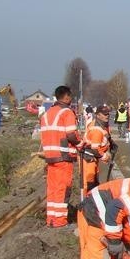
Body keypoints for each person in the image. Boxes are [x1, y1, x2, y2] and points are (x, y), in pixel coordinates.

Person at [39, 85, 82, 228]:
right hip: (63, 156)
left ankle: (51, 219)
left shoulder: (47, 114)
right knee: (63, 188)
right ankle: (60, 221)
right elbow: (71, 134)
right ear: (67, 97)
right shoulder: (66, 112)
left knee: (52, 188)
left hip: (50, 157)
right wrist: (80, 143)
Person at [81, 105, 115, 196]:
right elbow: (95, 149)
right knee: (89, 182)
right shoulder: (96, 129)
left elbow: (105, 138)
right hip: (89, 157)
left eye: (108, 114)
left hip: (93, 157)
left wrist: (110, 143)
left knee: (94, 181)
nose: (107, 115)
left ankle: (93, 200)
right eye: (104, 114)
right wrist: (105, 156)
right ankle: (86, 203)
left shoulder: (102, 124)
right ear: (98, 115)